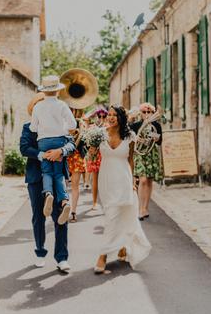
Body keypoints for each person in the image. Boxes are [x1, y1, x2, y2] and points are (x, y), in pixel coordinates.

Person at [20, 93, 76, 272]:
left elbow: (72, 144)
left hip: (57, 174)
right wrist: (42, 155)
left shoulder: (61, 126)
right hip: (36, 178)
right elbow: (24, 148)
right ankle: (40, 252)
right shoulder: (28, 127)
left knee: (61, 217)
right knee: (38, 217)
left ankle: (62, 258)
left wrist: (61, 151)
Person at [93, 106, 152, 274]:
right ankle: (122, 246)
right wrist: (90, 150)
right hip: (107, 181)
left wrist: (133, 180)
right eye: (109, 115)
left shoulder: (130, 137)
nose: (111, 117)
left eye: (114, 115)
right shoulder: (100, 134)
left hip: (124, 180)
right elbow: (92, 156)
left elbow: (131, 159)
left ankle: (102, 257)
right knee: (112, 214)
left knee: (123, 215)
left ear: (120, 118)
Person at [29, 75, 77, 225]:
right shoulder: (62, 105)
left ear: (44, 91)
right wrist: (62, 129)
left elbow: (33, 127)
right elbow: (73, 124)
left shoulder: (37, 107)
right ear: (57, 91)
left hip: (43, 142)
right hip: (59, 141)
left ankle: (48, 193)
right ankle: (65, 201)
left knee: (47, 172)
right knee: (58, 174)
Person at [129, 103, 163, 220]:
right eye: (144, 112)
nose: (147, 114)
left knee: (149, 181)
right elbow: (129, 138)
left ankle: (145, 207)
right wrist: (136, 138)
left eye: (149, 112)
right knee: (142, 180)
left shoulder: (156, 125)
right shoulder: (136, 126)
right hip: (140, 155)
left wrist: (155, 137)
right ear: (140, 113)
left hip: (151, 154)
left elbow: (159, 142)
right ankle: (140, 208)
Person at [67, 109, 87, 223]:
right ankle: (63, 208)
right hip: (64, 156)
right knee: (63, 186)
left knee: (75, 186)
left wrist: (82, 133)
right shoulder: (63, 122)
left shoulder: (80, 124)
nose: (73, 111)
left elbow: (81, 145)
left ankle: (73, 212)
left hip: (77, 157)